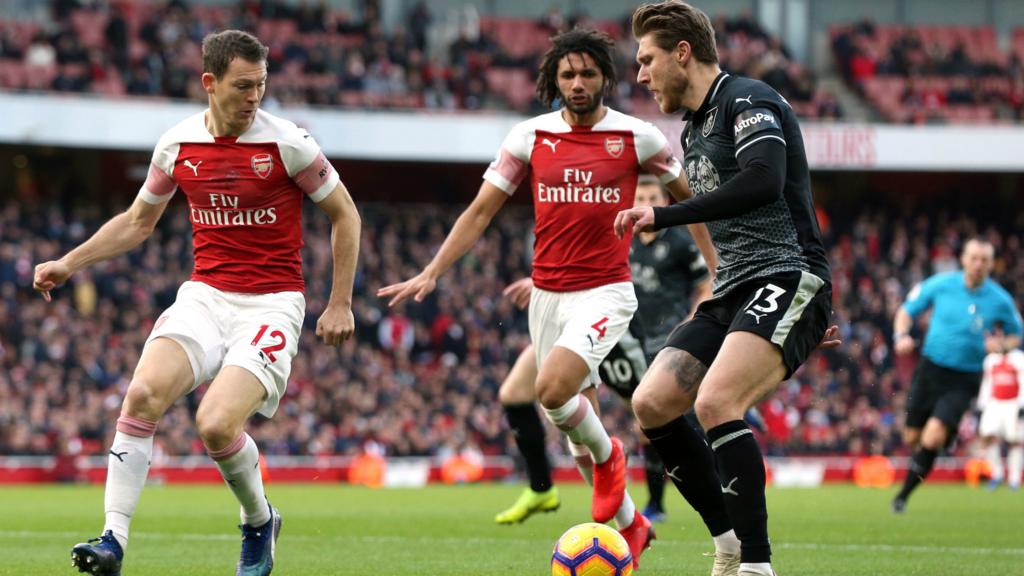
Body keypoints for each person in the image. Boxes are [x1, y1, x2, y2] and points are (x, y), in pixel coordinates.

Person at [34, 30, 361, 576]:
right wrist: (71, 262)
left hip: (272, 304)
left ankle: (259, 522)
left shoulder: (289, 143)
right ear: (209, 83)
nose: (254, 96)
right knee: (141, 395)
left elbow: (345, 214)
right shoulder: (178, 144)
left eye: (261, 84)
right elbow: (140, 222)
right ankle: (113, 539)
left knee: (214, 423)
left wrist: (340, 302)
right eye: (242, 86)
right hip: (206, 296)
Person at [378, 28, 708, 568]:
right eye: (567, 75)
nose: (578, 84)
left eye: (587, 74)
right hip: (547, 296)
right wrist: (432, 270)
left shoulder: (637, 137)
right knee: (576, 435)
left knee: (551, 391)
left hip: (605, 291)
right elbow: (480, 211)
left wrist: (719, 272)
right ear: (553, 80)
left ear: (605, 76)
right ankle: (633, 527)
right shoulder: (529, 137)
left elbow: (690, 204)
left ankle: (613, 460)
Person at [615, 3, 836, 575]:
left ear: (682, 53)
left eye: (647, 59)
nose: (640, 75)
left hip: (788, 275)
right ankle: (730, 543)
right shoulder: (692, 127)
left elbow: (763, 181)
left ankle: (756, 568)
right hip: (734, 289)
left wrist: (664, 216)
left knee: (715, 402)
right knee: (652, 402)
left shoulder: (747, 99)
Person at [494, 176, 715, 527]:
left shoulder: (679, 241)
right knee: (515, 392)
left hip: (646, 341)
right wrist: (540, 283)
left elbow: (708, 284)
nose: (643, 201)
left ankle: (655, 504)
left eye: (651, 196)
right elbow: (578, 265)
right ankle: (541, 487)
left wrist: (691, 322)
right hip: (589, 324)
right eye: (638, 195)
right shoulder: (617, 232)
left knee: (651, 420)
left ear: (664, 201)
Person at [891, 238, 1022, 511]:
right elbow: (906, 310)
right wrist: (901, 335)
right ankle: (935, 446)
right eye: (973, 258)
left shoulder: (999, 300)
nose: (978, 264)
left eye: (984, 260)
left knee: (933, 435)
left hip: (964, 378)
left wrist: (1000, 345)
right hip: (930, 370)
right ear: (963, 259)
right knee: (913, 437)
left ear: (990, 264)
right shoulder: (941, 284)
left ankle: (902, 496)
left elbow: (1016, 334)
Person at [977, 344, 1024, 491]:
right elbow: (987, 383)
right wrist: (982, 404)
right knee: (987, 436)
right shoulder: (990, 360)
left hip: (1013, 403)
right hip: (995, 402)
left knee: (1014, 440)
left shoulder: (1019, 358)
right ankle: (996, 474)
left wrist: (1022, 404)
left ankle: (1014, 479)